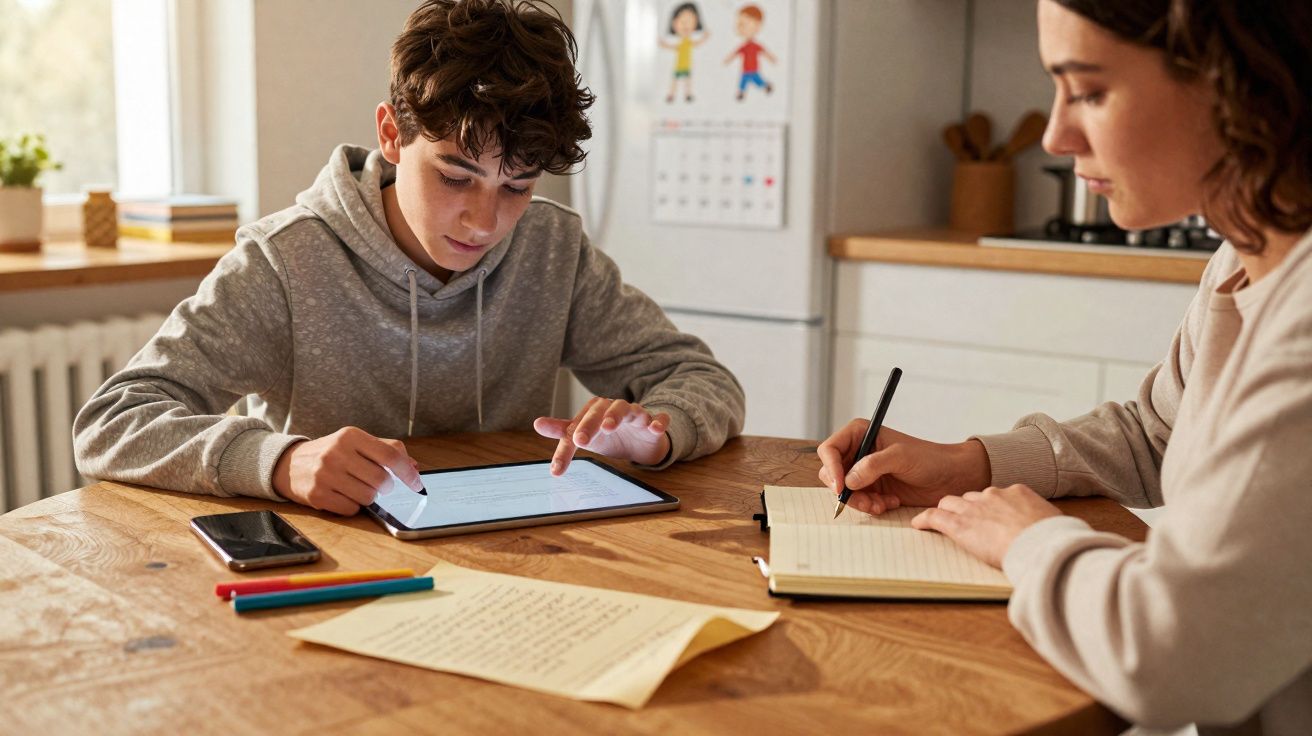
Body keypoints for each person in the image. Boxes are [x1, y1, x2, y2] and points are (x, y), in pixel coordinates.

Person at [818, 1, 1311, 732]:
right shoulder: (1248, 249)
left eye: (1088, 91)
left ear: (1235, 82)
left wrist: (1029, 540)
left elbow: (1172, 656)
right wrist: (967, 464)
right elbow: (1158, 432)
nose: (1054, 135)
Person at [73, 0, 744, 517]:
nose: (485, 222)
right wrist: (279, 462)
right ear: (392, 134)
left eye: (516, 187)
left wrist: (656, 433)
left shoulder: (552, 250)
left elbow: (703, 380)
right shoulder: (285, 262)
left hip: (516, 554)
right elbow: (112, 422)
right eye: (455, 176)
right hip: (335, 569)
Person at [659, 2, 710, 104]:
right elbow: (673, 47)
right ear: (674, 23)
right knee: (675, 81)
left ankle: (687, 94)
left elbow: (697, 43)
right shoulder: (682, 43)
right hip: (679, 66)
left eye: (690, 21)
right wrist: (664, 45)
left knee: (687, 81)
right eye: (683, 21)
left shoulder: (688, 42)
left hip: (686, 65)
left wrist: (705, 38)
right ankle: (671, 94)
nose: (686, 25)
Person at [723, 4, 775, 102]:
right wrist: (728, 60)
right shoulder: (744, 46)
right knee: (743, 81)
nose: (739, 28)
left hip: (753, 69)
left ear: (757, 26)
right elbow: (735, 53)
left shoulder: (755, 46)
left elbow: (764, 52)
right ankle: (741, 93)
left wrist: (772, 58)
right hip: (746, 70)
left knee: (757, 80)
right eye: (738, 24)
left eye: (742, 24)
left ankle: (766, 86)